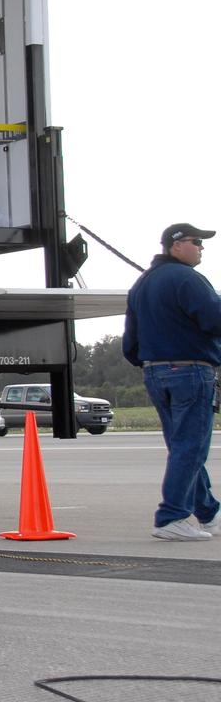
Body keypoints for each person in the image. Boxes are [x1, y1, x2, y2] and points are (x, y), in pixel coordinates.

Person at [123, 223, 221, 541]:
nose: (202, 248)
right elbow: (214, 318)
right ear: (176, 246)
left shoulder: (143, 284)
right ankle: (171, 517)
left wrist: (151, 363)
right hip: (190, 372)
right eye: (197, 242)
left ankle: (208, 513)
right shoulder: (187, 279)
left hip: (155, 372)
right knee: (191, 447)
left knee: (182, 446)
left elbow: (130, 343)